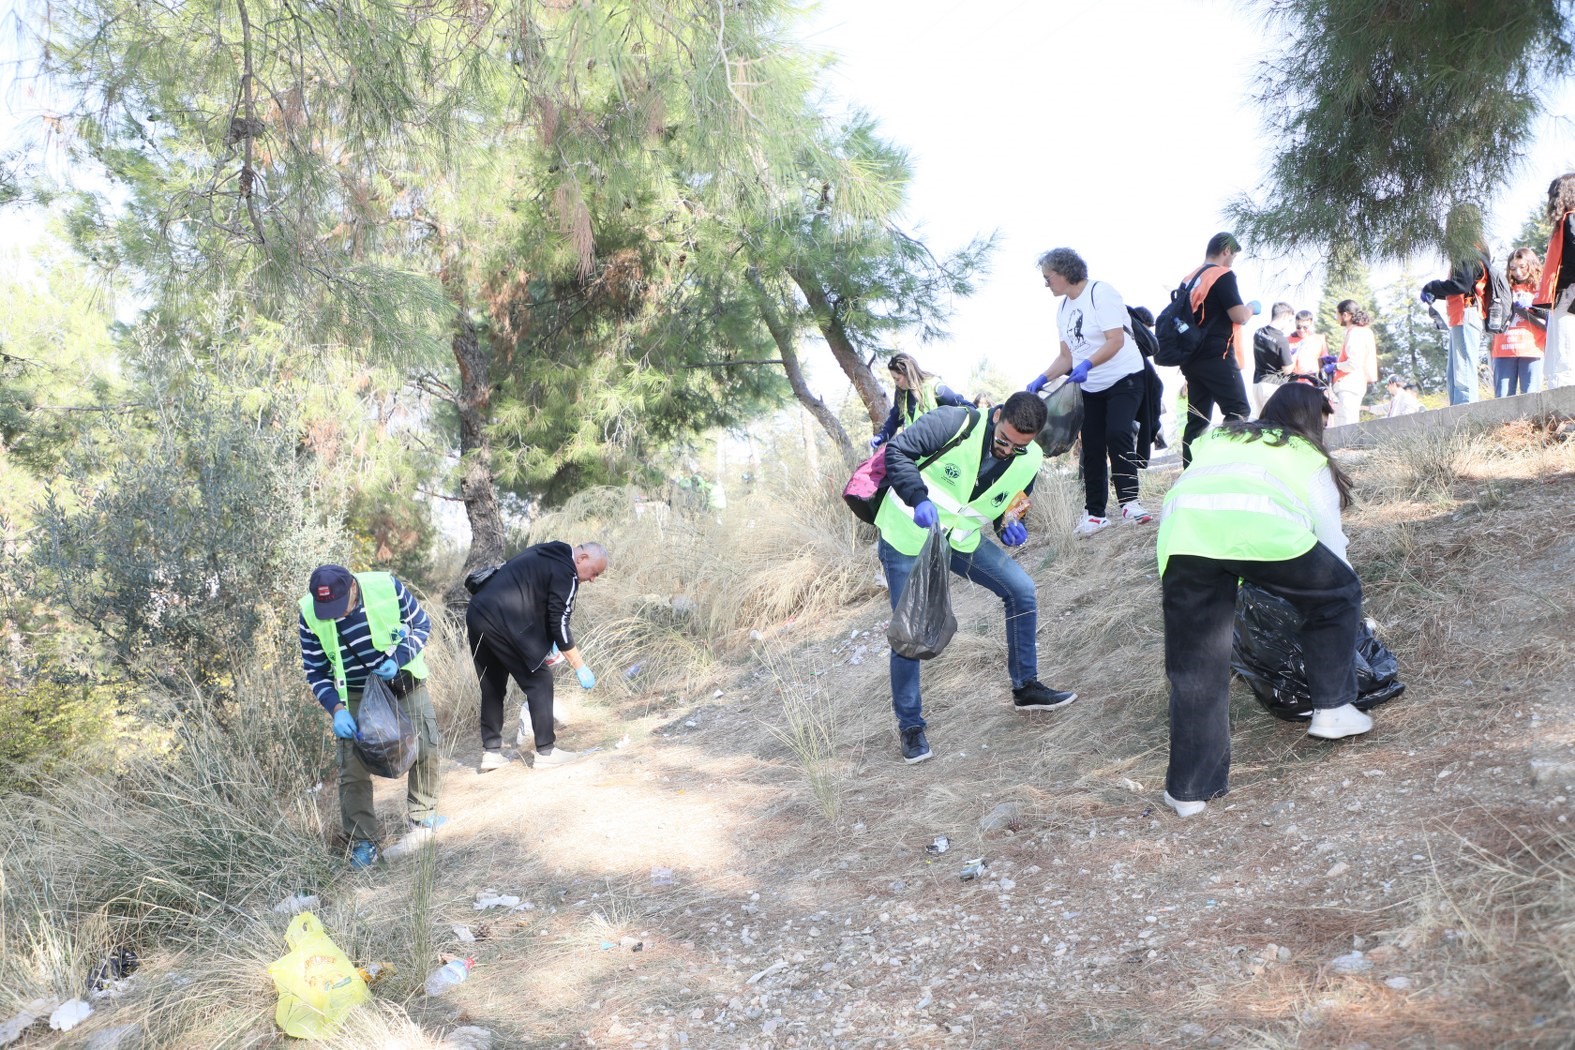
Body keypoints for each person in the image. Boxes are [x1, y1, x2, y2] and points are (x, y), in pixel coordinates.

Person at [1155, 382, 1372, 818]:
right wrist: (1345, 599)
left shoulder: (1217, 436)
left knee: (1197, 668)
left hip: (1182, 535)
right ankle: (1332, 710)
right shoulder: (1305, 454)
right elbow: (1332, 545)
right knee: (1337, 595)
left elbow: (1209, 497)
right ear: (1314, 418)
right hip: (1261, 530)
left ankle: (1189, 792)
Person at [875, 392, 1079, 764]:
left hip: (960, 541)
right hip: (907, 533)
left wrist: (1010, 525)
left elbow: (1010, 504)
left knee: (1022, 590)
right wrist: (917, 496)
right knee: (910, 629)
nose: (1007, 451)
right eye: (1004, 440)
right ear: (997, 415)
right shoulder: (954, 422)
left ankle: (1026, 687)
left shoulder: (1030, 458)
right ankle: (910, 726)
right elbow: (897, 452)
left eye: (1019, 446)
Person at [298, 564, 441, 869]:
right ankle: (364, 841)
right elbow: (315, 669)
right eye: (328, 610)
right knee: (352, 768)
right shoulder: (310, 612)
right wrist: (336, 709)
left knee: (426, 745)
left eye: (340, 607)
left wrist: (399, 658)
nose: (335, 616)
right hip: (353, 693)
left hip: (401, 678)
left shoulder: (386, 586)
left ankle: (423, 815)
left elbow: (421, 624)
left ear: (352, 586)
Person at [1027, 247, 1154, 535]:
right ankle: (1095, 513)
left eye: (1048, 277)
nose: (1046, 283)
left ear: (1064, 273)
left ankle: (1130, 503)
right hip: (1091, 384)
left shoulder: (1101, 293)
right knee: (1093, 445)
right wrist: (1042, 378)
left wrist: (1086, 364)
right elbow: (1065, 358)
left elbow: (1115, 340)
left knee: (1118, 432)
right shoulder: (1062, 308)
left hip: (1125, 376)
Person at [467, 541, 608, 772]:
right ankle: (546, 751)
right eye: (595, 572)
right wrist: (579, 665)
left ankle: (491, 752)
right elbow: (559, 621)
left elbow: (533, 597)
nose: (592, 579)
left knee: (493, 685)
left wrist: (545, 645)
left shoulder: (545, 552)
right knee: (540, 680)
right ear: (582, 558)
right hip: (503, 619)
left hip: (477, 612)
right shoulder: (568, 571)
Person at [1175, 233, 1258, 467]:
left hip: (1191, 357)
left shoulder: (1189, 279)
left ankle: (1191, 472)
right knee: (1238, 410)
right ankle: (1229, 464)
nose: (1232, 261)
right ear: (1226, 251)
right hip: (1217, 355)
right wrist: (1252, 307)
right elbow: (1238, 316)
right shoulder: (1222, 275)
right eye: (1233, 255)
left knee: (1197, 419)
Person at [1421, 237, 1492, 405]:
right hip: (1460, 316)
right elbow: (1459, 286)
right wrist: (1435, 292)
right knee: (1455, 373)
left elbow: (1461, 285)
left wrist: (1432, 286)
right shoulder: (1473, 252)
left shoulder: (1467, 252)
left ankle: (1465, 416)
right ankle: (1457, 414)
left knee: (1463, 372)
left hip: (1466, 314)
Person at [870, 352, 971, 448]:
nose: (896, 383)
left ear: (908, 373)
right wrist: (882, 436)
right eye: (894, 379)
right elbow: (895, 419)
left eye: (897, 379)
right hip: (918, 448)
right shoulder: (901, 394)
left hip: (941, 447)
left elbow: (960, 403)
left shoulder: (933, 386)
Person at [1534, 172, 1575, 390]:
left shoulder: (1572, 220)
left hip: (1568, 295)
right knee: (1559, 356)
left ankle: (1565, 415)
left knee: (1563, 355)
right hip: (1566, 295)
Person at [1492, 247, 1547, 397]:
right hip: (1504, 348)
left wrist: (1532, 305)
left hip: (1532, 349)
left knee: (1531, 397)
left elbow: (1551, 317)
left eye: (1522, 267)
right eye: (1513, 268)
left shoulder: (1540, 288)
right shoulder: (1503, 288)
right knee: (1502, 399)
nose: (1518, 272)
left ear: (1531, 264)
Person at [1331, 300, 1379, 426]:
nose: (1336, 318)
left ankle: (1347, 446)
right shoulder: (1362, 331)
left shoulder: (1355, 332)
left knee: (1346, 425)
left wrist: (1335, 366)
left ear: (1345, 315)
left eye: (1337, 314)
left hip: (1349, 384)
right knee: (1345, 422)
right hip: (1353, 384)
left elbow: (1353, 363)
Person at [1251, 302, 1296, 412]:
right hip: (1272, 386)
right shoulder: (1281, 340)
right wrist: (1294, 356)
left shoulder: (1259, 332)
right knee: (1272, 422)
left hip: (1257, 384)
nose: (1289, 324)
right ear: (1285, 316)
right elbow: (1287, 370)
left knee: (1259, 422)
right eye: (1289, 320)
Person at [1287, 310, 1328, 378]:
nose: (1301, 330)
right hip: (1291, 380)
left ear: (1311, 323)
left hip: (1312, 380)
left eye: (1305, 327)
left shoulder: (1320, 339)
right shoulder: (1287, 340)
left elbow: (1324, 362)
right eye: (1298, 327)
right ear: (1295, 323)